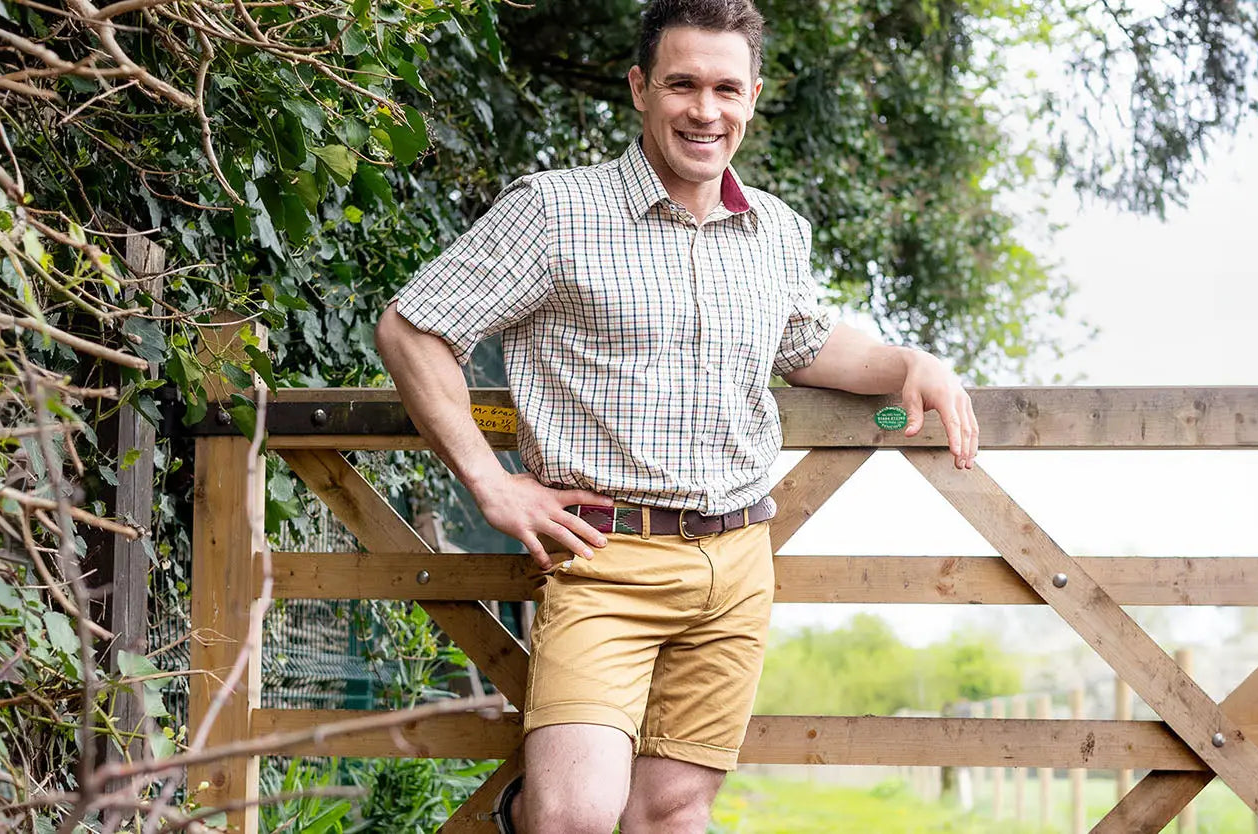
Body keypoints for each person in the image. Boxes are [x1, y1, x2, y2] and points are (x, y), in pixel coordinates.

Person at [374, 0, 979, 830]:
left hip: (736, 562)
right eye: (682, 84)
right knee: (572, 816)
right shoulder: (556, 211)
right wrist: (491, 482)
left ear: (753, 97)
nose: (705, 109)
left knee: (674, 810)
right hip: (602, 557)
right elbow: (413, 327)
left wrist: (912, 363)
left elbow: (805, 345)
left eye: (726, 88)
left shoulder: (776, 230)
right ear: (639, 88)